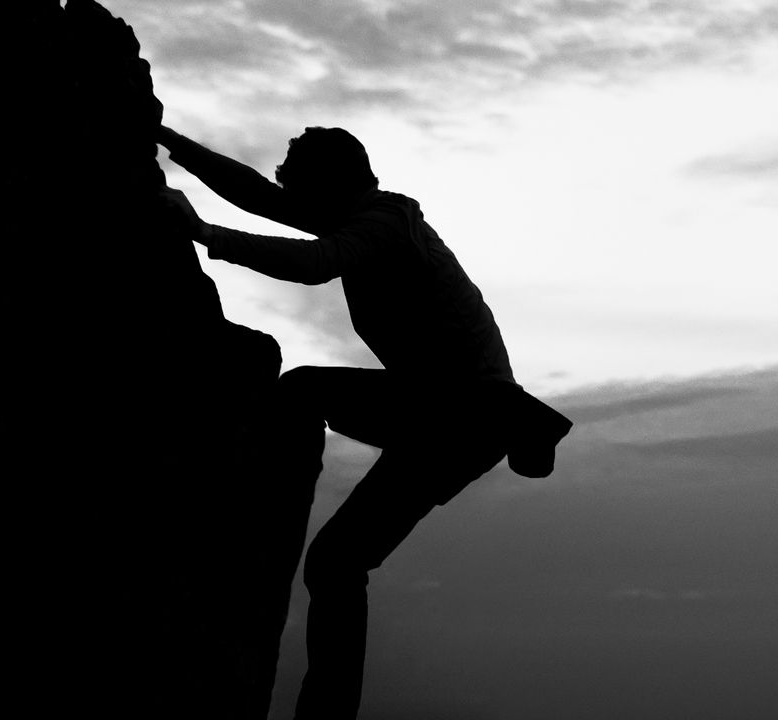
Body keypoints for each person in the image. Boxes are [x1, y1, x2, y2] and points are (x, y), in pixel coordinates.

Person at [156, 125, 571, 719]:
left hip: (462, 411)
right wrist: (171, 140)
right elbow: (256, 194)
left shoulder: (382, 224)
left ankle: (242, 511)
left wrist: (203, 234)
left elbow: (317, 264)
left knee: (302, 394)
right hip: (445, 414)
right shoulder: (359, 217)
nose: (281, 183)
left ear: (330, 181)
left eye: (292, 174)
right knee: (336, 563)